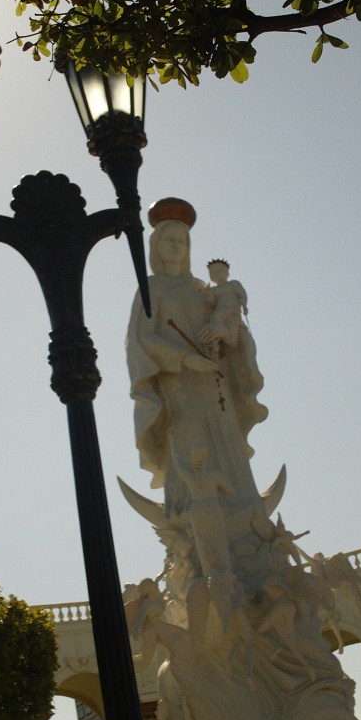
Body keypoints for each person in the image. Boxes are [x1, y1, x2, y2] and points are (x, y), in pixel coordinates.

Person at [126, 198, 267, 521]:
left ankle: (245, 516)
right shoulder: (152, 288)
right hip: (179, 381)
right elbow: (142, 337)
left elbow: (231, 329)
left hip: (215, 381)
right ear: (156, 245)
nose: (175, 246)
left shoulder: (203, 289)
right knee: (190, 439)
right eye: (169, 240)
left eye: (181, 241)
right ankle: (194, 513)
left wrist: (224, 333)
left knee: (225, 439)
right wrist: (184, 358)